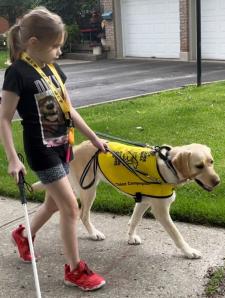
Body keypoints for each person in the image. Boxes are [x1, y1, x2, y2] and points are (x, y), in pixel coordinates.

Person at [0, 7, 107, 291]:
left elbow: (68, 108)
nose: (59, 51)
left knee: (53, 203)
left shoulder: (53, 68)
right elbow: (4, 118)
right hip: (41, 151)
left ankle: (24, 235)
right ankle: (74, 270)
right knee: (71, 208)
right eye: (55, 46)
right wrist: (13, 159)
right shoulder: (17, 73)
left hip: (63, 146)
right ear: (33, 43)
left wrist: (94, 138)